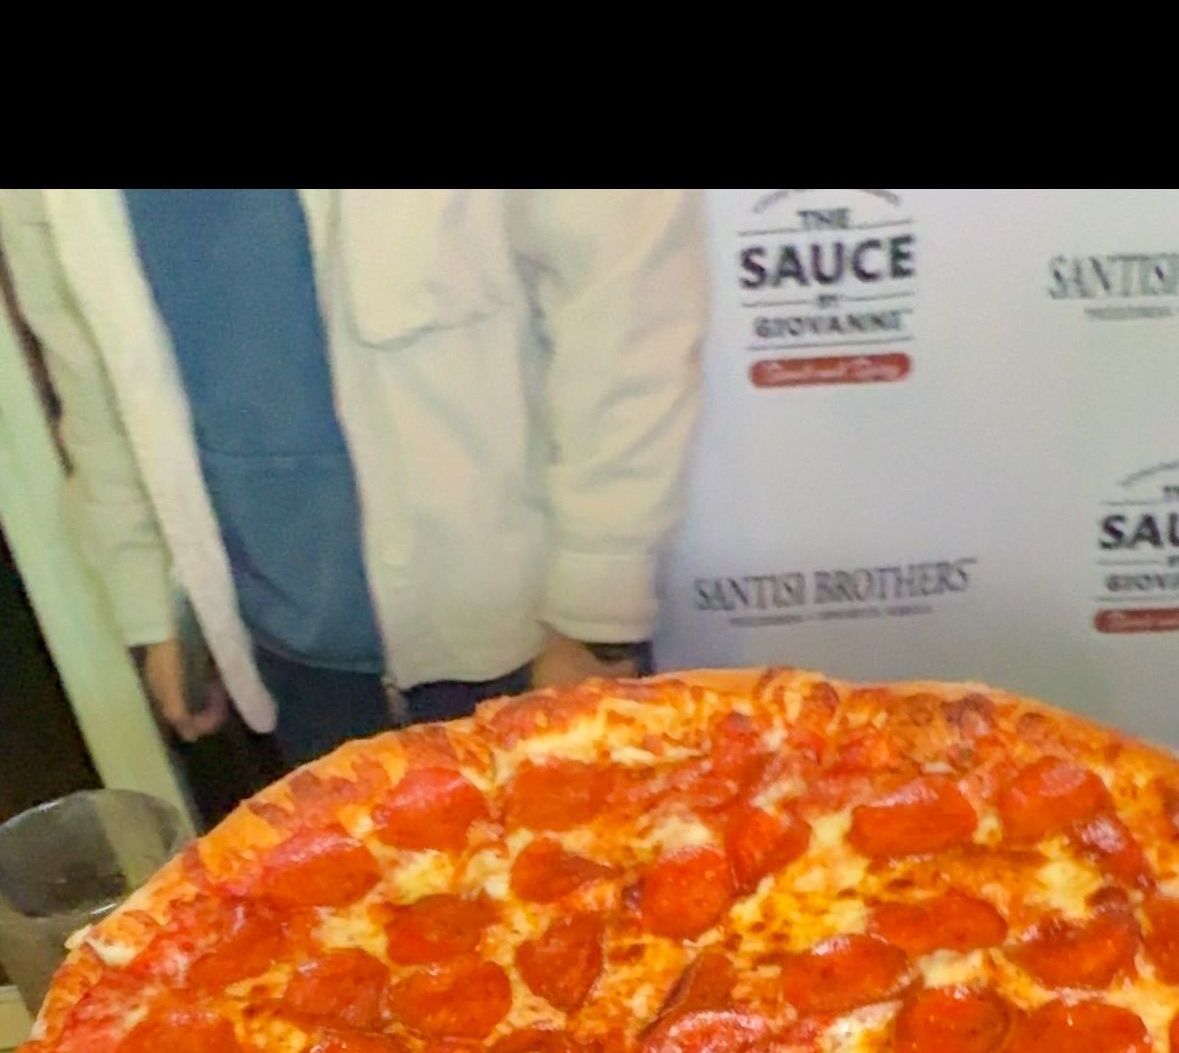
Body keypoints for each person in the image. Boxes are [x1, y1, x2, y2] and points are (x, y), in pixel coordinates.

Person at [0, 190, 706, 770]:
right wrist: (156, 609)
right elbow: (89, 374)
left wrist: (594, 612)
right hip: (284, 651)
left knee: (579, 912)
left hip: (522, 628)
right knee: (358, 926)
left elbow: (626, 307)